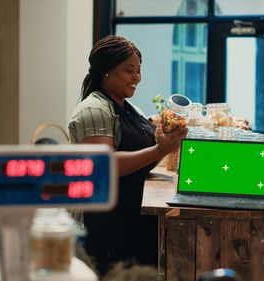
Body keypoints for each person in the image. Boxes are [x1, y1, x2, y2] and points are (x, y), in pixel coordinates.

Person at [68, 35, 187, 276]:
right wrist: (159, 149)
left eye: (139, 71)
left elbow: (140, 161)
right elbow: (104, 166)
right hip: (107, 227)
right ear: (106, 72)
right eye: (129, 70)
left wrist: (168, 144)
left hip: (131, 222)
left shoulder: (127, 107)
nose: (137, 78)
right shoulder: (94, 108)